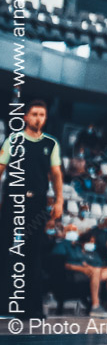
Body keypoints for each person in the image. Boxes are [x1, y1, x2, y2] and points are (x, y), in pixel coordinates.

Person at [0, 100, 64, 319]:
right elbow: (1, 167)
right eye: (35, 114)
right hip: (13, 201)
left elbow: (56, 174)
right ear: (25, 117)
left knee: (34, 254)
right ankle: (5, 306)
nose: (38, 118)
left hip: (37, 204)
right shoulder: (13, 139)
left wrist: (59, 201)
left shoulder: (51, 143)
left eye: (42, 114)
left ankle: (32, 308)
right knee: (7, 250)